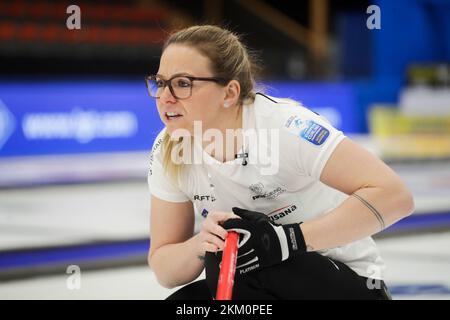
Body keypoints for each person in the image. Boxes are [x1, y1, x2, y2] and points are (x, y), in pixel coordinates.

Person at [146, 25, 414, 300]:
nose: (165, 97)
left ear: (229, 93)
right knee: (204, 279)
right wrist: (199, 245)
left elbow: (396, 196)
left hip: (350, 283)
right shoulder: (168, 148)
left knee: (238, 261)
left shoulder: (284, 128)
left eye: (183, 84)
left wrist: (285, 240)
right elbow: (164, 269)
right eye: (161, 82)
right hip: (260, 281)